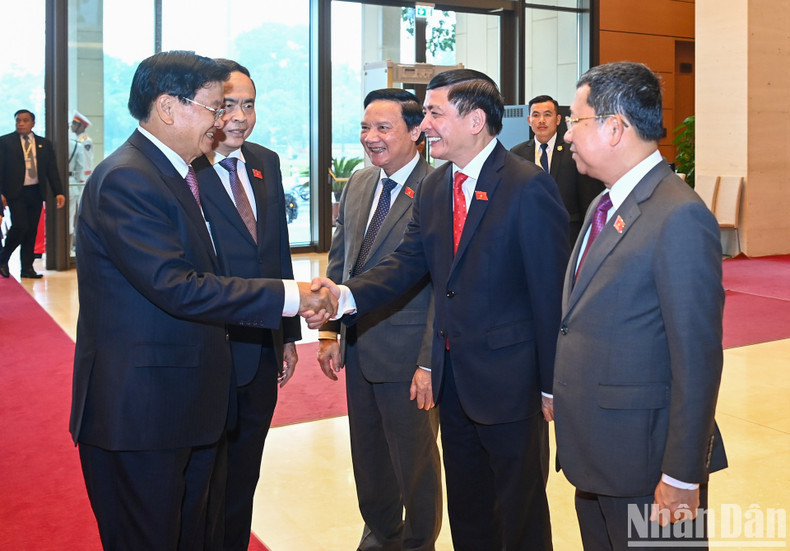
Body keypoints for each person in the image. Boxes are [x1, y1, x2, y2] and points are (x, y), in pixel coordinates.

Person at [69, 50, 336, 551]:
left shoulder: (173, 173)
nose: (223, 123)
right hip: (144, 414)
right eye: (215, 108)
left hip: (184, 402)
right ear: (169, 107)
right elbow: (178, 285)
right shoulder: (129, 178)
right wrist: (290, 296)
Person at [320, 69, 570, 550]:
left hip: (512, 384)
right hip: (452, 382)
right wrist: (342, 298)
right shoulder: (436, 190)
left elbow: (549, 293)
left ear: (475, 120)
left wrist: (550, 385)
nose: (426, 124)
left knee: (519, 514)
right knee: (469, 510)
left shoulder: (526, 186)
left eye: (435, 113)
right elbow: (404, 265)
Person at [553, 61, 727, 551]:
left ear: (614, 128)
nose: (566, 134)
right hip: (598, 455)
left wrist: (682, 475)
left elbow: (697, 359)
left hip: (648, 467)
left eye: (574, 119)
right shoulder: (604, 204)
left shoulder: (680, 216)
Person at [317, 88, 442, 551]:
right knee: (368, 459)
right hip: (358, 347)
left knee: (415, 464)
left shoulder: (437, 189)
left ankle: (417, 542)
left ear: (416, 131)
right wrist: (330, 330)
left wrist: (429, 361)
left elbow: (442, 289)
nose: (371, 138)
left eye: (383, 128)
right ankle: (381, 532)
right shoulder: (359, 183)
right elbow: (340, 262)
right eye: (365, 127)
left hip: (409, 358)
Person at [191, 59, 302, 551]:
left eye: (249, 105)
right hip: (211, 352)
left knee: (244, 476)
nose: (239, 117)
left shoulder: (266, 161)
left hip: (262, 349)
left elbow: (275, 251)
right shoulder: (186, 169)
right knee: (205, 481)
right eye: (228, 105)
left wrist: (288, 336)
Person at [511, 95, 604, 245]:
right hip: (529, 237)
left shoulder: (575, 151)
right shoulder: (516, 154)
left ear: (558, 119)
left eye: (547, 114)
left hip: (568, 237)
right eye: (536, 115)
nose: (541, 120)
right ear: (529, 120)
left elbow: (588, 200)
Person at [0, 109, 66, 278]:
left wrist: (58, 192)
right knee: (20, 226)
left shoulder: (43, 143)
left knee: (31, 232)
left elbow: (51, 170)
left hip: (36, 192)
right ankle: (3, 258)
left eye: (25, 120)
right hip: (15, 192)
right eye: (18, 121)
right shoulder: (5, 142)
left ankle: (27, 268)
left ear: (33, 123)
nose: (21, 123)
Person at [68, 111, 93, 251]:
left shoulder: (85, 141)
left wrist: (83, 179)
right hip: (80, 179)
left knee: (78, 211)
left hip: (82, 180)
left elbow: (86, 163)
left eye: (74, 124)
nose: (72, 126)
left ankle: (76, 242)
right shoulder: (77, 141)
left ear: (81, 126)